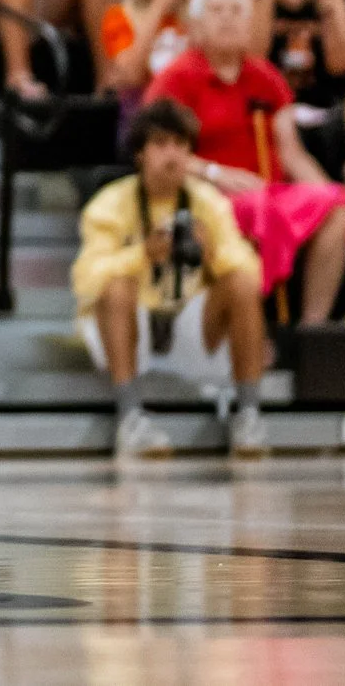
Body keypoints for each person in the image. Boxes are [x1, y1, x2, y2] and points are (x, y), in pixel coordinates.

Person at [146, 0, 345, 324]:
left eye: (237, 11)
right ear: (196, 24)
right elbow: (157, 154)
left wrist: (326, 190)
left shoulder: (267, 78)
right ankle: (247, 327)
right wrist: (217, 174)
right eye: (217, 10)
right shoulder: (176, 78)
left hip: (265, 192)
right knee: (258, 209)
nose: (228, 18)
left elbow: (290, 153)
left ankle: (312, 329)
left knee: (338, 208)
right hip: (204, 193)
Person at [72, 100, 271, 459]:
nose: (173, 156)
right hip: (131, 327)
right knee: (115, 286)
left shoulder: (206, 201)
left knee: (239, 282)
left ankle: (249, 416)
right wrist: (143, 255)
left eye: (181, 145)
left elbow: (252, 274)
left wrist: (213, 255)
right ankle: (131, 418)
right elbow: (86, 280)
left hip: (188, 328)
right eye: (161, 144)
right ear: (140, 154)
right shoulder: (109, 204)